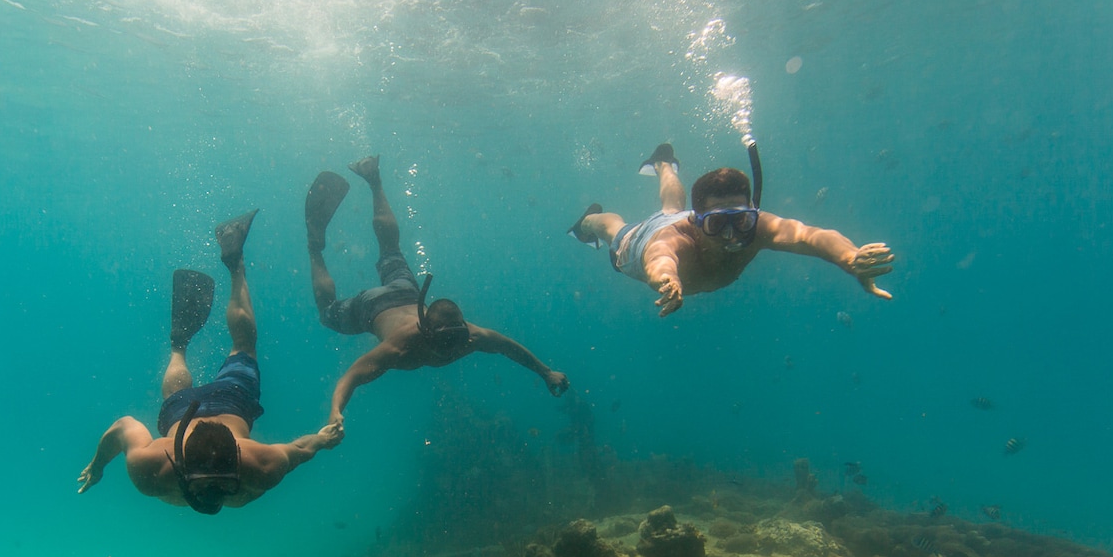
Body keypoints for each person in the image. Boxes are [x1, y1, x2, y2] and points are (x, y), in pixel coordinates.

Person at [78, 210, 342, 514]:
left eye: (219, 485)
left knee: (242, 347)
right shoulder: (262, 467)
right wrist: (321, 439)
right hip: (203, 404)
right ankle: (232, 272)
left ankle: (188, 332)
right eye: (212, 485)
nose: (213, 495)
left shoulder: (149, 470)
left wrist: (99, 465)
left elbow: (125, 427)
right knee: (240, 348)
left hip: (212, 403)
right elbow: (300, 449)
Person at [304, 155, 570, 427]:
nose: (449, 352)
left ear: (461, 327)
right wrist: (336, 411)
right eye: (444, 344)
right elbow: (352, 376)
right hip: (373, 307)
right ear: (424, 331)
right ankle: (315, 245)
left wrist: (546, 372)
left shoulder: (468, 336)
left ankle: (374, 179)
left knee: (391, 248)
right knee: (327, 313)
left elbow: (506, 347)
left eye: (455, 341)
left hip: (405, 291)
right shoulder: (399, 347)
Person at [568, 142, 894, 316]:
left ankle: (662, 162)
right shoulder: (674, 238)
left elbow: (812, 236)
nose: (731, 236)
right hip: (638, 241)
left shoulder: (760, 227)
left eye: (739, 222)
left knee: (671, 207)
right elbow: (660, 258)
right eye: (716, 224)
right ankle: (584, 222)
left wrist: (851, 259)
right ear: (696, 222)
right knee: (615, 228)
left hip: (679, 216)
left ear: (752, 213)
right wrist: (668, 281)